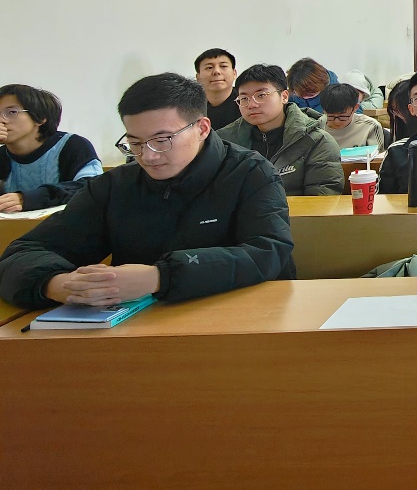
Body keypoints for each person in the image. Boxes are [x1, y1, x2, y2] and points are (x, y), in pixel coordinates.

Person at [0, 72, 294, 310]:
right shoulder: (115, 186)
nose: (149, 156)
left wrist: (159, 277)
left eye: (162, 140)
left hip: (237, 317)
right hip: (134, 329)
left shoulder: (250, 173)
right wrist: (57, 285)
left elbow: (268, 253)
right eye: (135, 143)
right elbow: (23, 254)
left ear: (202, 128)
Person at [217, 64, 342, 195]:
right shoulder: (225, 142)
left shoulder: (316, 141)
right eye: (244, 98)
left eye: (261, 95)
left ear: (284, 96)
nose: (252, 105)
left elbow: (321, 200)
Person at [0, 85, 103, 212]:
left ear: (40, 117)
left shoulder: (72, 145)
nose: (1, 120)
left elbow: (93, 187)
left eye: (11, 112)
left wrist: (31, 198)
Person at [319, 83, 385, 151]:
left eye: (342, 116)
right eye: (331, 116)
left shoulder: (370, 126)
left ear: (355, 107)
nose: (336, 121)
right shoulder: (318, 125)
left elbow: (377, 156)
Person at [195, 48, 241, 129]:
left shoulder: (246, 103)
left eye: (223, 66)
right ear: (198, 77)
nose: (216, 71)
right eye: (209, 67)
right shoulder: (190, 106)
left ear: (234, 73)